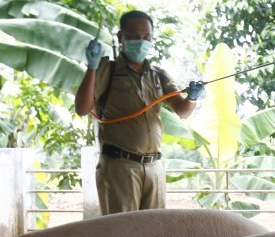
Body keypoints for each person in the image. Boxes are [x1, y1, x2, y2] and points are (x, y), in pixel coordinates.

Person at [74, 10, 204, 215]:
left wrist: (193, 98)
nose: (141, 41)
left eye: (146, 37)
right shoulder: (107, 69)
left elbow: (183, 111)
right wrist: (92, 67)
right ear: (121, 37)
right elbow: (82, 109)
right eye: (134, 36)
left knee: (154, 231)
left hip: (154, 167)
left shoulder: (158, 75)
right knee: (122, 233)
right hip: (120, 166)